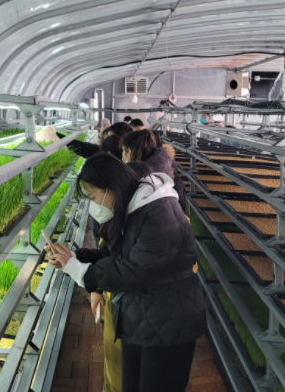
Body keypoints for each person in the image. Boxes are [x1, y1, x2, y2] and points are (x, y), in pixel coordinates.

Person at [45, 154, 206, 392]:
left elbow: (134, 271)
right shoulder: (132, 208)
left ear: (110, 189)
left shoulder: (159, 212)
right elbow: (114, 254)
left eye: (93, 197)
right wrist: (75, 257)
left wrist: (80, 272)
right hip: (141, 320)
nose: (93, 205)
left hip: (169, 324)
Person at [121, 130, 186, 210]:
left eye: (123, 151)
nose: (122, 157)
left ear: (129, 152)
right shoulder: (166, 167)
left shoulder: (140, 178)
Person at [57, 122, 132, 158]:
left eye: (110, 137)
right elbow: (82, 147)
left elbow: (82, 148)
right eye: (107, 134)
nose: (105, 139)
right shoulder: (99, 150)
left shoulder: (103, 157)